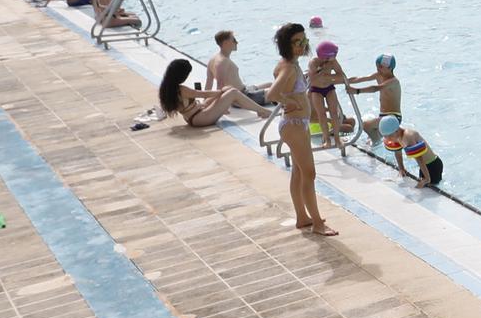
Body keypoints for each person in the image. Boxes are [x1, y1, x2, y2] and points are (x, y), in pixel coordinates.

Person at [268, 22, 335, 236]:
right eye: (296, 41)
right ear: (286, 45)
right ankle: (317, 223)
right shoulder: (288, 67)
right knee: (309, 173)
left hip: (299, 124)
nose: (301, 44)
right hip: (293, 125)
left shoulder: (292, 64)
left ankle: (302, 217)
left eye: (303, 40)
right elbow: (271, 94)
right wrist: (291, 101)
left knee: (298, 172)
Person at [157, 57, 274, 128]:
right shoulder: (182, 89)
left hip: (194, 116)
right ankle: (263, 111)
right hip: (200, 118)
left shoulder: (167, 87)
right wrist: (222, 92)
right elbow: (203, 94)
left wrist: (222, 93)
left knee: (228, 90)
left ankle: (257, 110)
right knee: (232, 92)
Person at [346, 54, 400, 141]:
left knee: (365, 125)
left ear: (390, 68)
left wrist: (356, 91)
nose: (378, 69)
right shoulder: (378, 75)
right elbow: (360, 79)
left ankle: (375, 144)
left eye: (381, 67)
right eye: (377, 67)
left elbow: (375, 88)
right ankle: (375, 142)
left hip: (393, 117)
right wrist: (342, 81)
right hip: (382, 115)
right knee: (373, 133)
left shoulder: (393, 82)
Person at [379, 115, 442, 187]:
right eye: (385, 137)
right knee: (425, 188)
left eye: (389, 136)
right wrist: (401, 168)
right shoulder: (397, 136)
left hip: (433, 165)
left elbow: (419, 158)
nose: (388, 139)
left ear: (396, 130)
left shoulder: (408, 136)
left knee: (432, 189)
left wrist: (427, 179)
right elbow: (398, 152)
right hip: (424, 167)